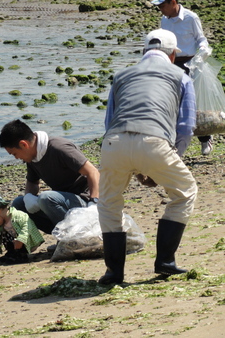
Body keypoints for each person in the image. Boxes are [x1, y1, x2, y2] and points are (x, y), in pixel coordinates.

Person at [97, 29, 198, 284]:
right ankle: (165, 261)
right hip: (155, 142)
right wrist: (167, 161)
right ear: (173, 55)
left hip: (114, 142)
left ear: (144, 51)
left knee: (109, 203)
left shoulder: (121, 76)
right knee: (185, 191)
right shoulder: (181, 76)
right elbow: (185, 126)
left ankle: (113, 272)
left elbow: (109, 121)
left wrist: (136, 165)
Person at [0, 119, 100, 235]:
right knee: (19, 204)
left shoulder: (59, 148)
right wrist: (28, 197)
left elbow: (93, 172)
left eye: (14, 154)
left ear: (23, 144)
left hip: (85, 202)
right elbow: (33, 182)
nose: (16, 158)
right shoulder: (32, 156)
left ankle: (75, 237)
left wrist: (94, 203)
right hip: (63, 204)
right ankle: (62, 236)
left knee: (46, 198)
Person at [152, 0, 213, 155]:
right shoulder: (164, 20)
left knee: (195, 103)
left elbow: (201, 39)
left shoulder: (190, 17)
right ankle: (173, 143)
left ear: (173, 2)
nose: (160, 9)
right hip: (172, 63)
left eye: (162, 6)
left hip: (191, 63)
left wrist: (203, 51)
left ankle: (205, 139)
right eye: (158, 7)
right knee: (172, 103)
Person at [0, 194, 44, 265]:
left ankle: (21, 255)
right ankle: (12, 254)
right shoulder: (1, 225)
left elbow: (27, 228)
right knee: (2, 234)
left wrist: (21, 239)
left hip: (28, 241)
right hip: (15, 242)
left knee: (8, 236)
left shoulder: (18, 216)